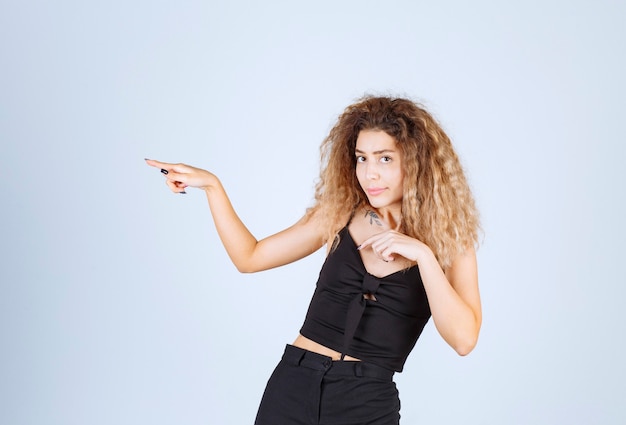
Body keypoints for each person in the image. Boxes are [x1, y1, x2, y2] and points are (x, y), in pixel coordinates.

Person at [145, 95, 481, 425]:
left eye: (385, 159)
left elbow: (464, 340)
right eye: (361, 158)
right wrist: (213, 187)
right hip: (293, 385)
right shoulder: (339, 213)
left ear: (417, 161)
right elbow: (249, 257)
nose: (370, 174)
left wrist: (422, 255)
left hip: (367, 402)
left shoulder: (448, 239)